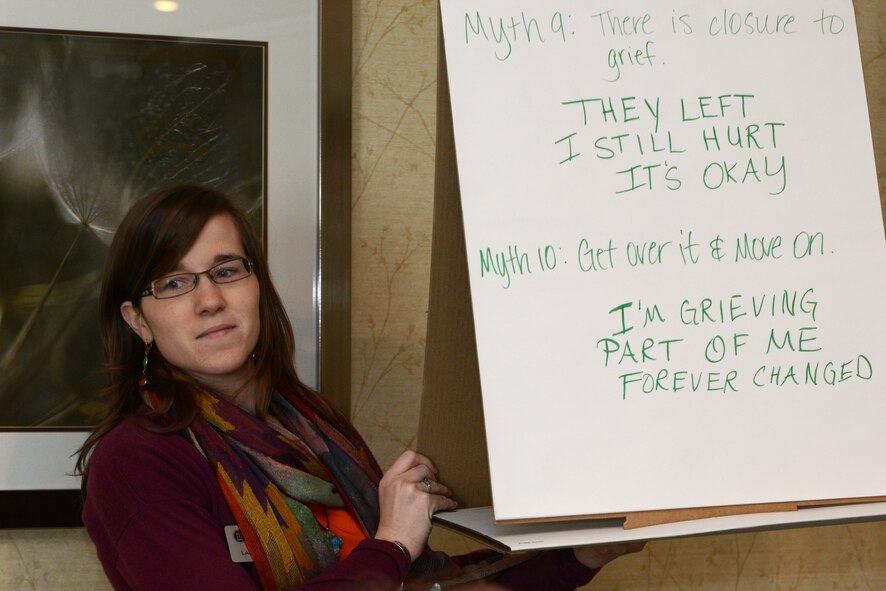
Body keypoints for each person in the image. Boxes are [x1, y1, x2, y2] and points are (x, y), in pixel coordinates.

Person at [77, 185, 643, 590]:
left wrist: (581, 553)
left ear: (256, 286)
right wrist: (393, 541)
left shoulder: (311, 425)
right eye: (174, 283)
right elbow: (388, 563)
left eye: (227, 269)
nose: (209, 299)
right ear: (137, 320)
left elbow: (425, 582)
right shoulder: (138, 461)